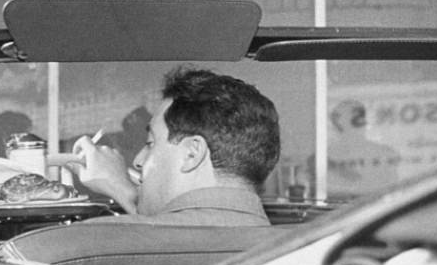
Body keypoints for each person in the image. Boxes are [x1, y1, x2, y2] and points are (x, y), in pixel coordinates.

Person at [71, 66, 280, 225]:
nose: (137, 161)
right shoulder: (299, 257)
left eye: (150, 143)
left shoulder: (92, 240)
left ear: (192, 153)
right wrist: (123, 190)